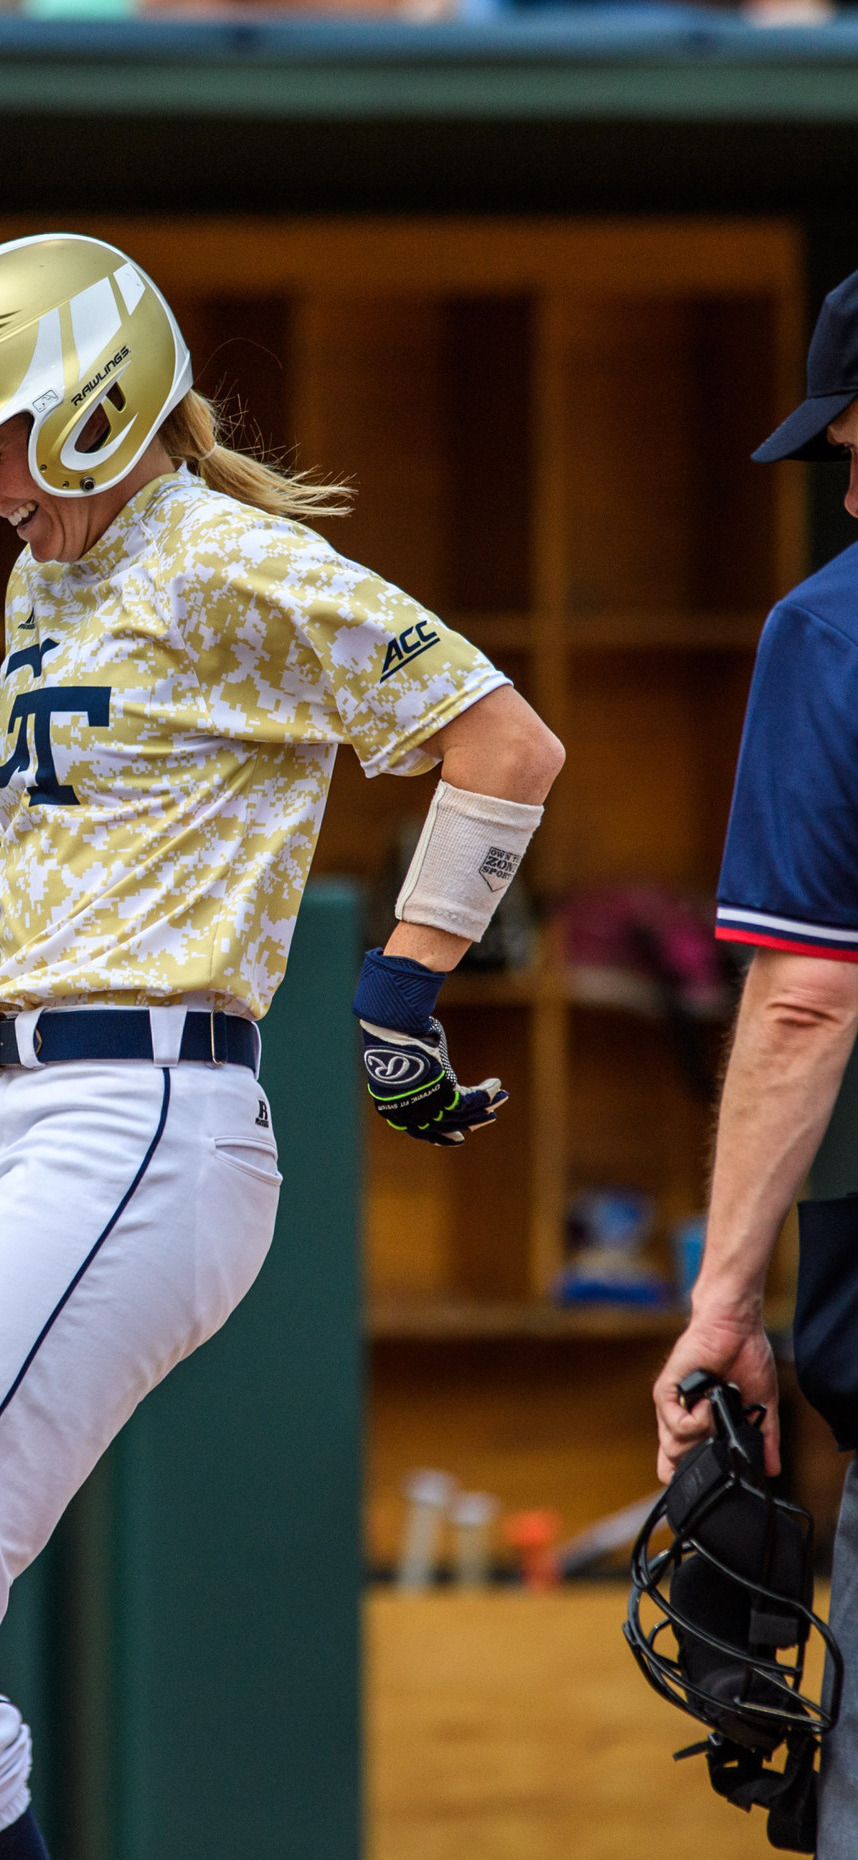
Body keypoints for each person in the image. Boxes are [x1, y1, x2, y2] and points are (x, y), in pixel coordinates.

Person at [0, 233, 565, 1860]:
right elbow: (43, 893)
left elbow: (504, 736)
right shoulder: (55, 574)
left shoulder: (215, 554)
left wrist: (402, 983)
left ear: (93, 408)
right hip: (22, 1114)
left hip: (143, 1113)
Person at [651, 268, 858, 1852]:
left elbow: (804, 1000)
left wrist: (724, 1305)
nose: (847, 486)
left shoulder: (834, 627)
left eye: (853, 446)